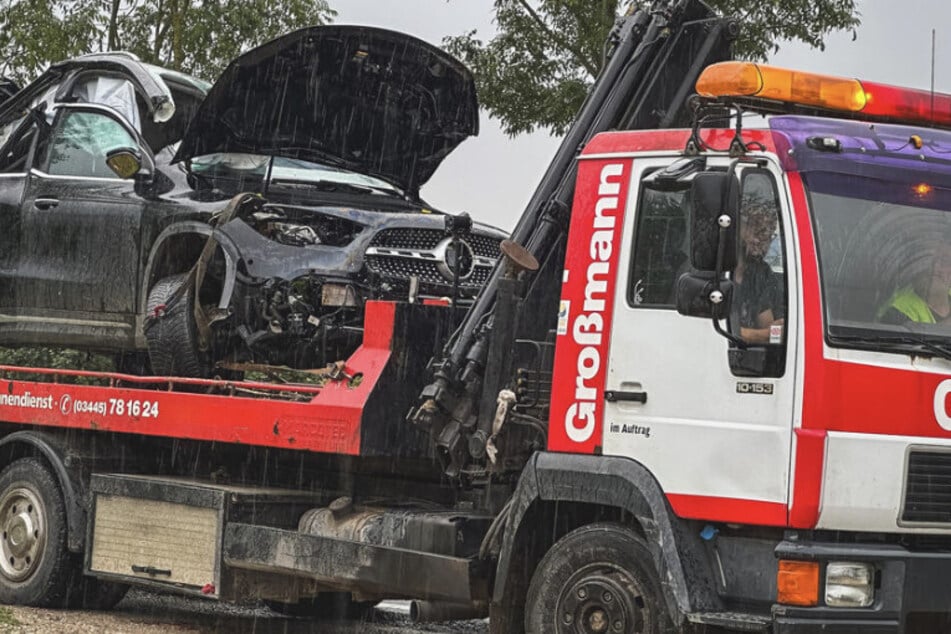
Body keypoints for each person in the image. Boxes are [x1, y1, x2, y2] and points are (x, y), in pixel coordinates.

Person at [732, 199, 785, 344]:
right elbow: (721, 331)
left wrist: (776, 332)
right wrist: (765, 335)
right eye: (757, 230)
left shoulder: (761, 272)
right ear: (738, 228)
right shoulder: (711, 269)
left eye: (768, 233)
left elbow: (771, 330)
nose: (761, 240)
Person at [878, 240, 951, 324]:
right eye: (927, 260)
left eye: (945, 261)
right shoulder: (896, 312)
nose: (935, 267)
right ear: (914, 267)